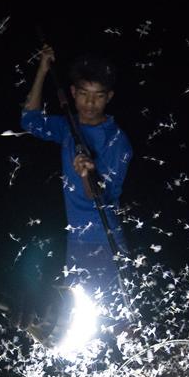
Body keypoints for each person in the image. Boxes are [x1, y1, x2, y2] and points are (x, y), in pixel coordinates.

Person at [21, 45, 133, 298]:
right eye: (84, 94)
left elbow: (102, 198)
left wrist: (87, 175)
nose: (90, 103)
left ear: (110, 97)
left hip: (105, 241)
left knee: (112, 321)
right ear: (72, 93)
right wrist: (42, 70)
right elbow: (30, 120)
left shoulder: (117, 141)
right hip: (76, 241)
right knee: (79, 317)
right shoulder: (68, 127)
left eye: (99, 95)